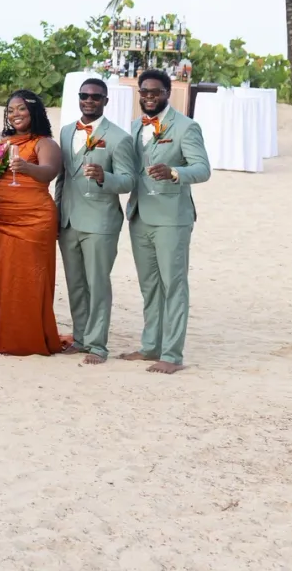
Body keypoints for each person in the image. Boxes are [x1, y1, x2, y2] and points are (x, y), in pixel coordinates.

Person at [120, 69, 210, 374]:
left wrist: (174, 172)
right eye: (144, 92)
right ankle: (150, 347)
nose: (149, 97)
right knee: (149, 286)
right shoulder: (135, 126)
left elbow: (202, 169)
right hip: (139, 215)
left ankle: (172, 355)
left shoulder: (186, 127)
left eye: (155, 92)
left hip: (172, 218)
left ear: (167, 94)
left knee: (174, 285)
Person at [0, 89, 65, 356]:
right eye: (10, 110)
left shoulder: (44, 143)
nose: (15, 114)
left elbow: (50, 172)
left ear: (33, 111)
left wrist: (28, 168)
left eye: (21, 109)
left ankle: (26, 338)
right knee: (0, 277)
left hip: (33, 218)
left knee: (29, 278)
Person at [58, 78, 136, 366]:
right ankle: (80, 338)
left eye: (95, 96)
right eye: (84, 95)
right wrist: (57, 214)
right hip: (68, 220)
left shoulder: (119, 138)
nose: (89, 100)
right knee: (75, 284)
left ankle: (98, 345)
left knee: (97, 284)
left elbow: (129, 181)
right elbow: (63, 178)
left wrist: (105, 177)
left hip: (101, 222)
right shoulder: (67, 132)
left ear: (105, 101)